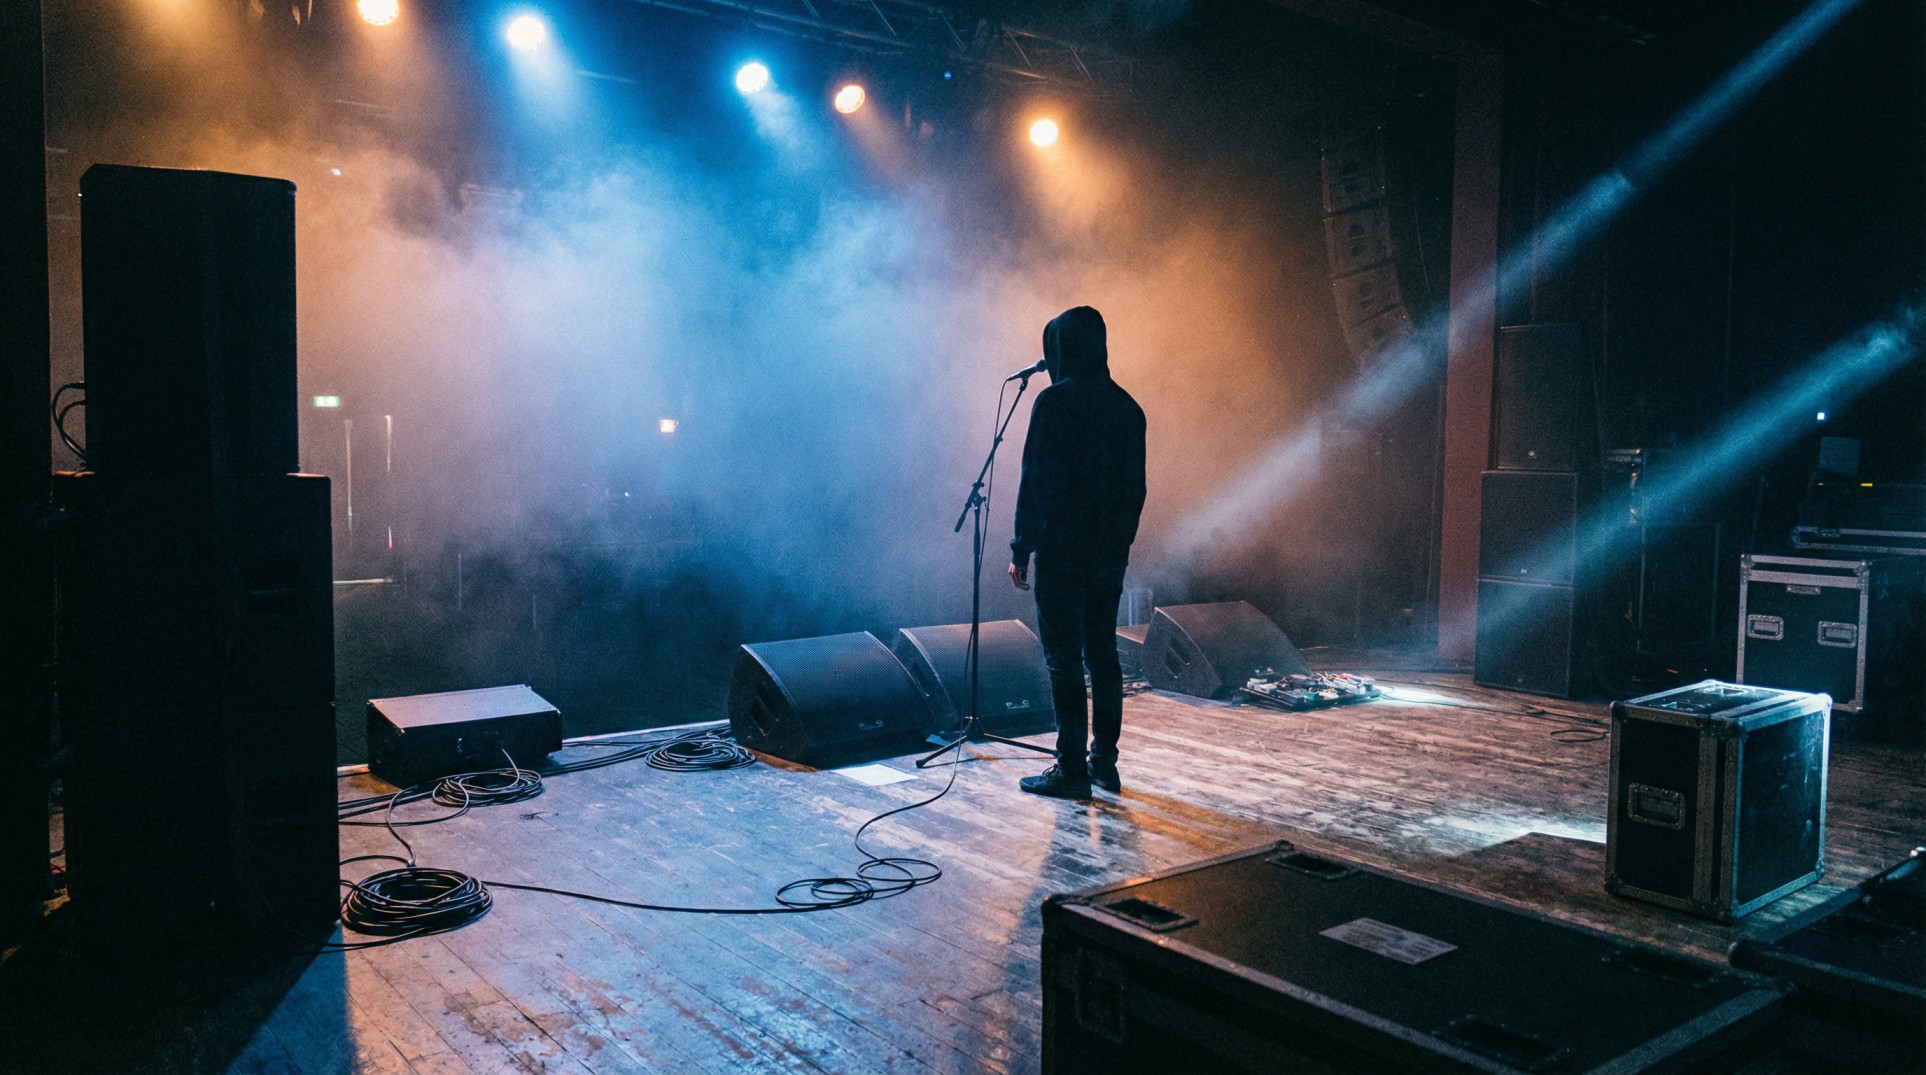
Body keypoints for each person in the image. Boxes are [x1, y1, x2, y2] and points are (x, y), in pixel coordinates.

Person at [1007, 306, 1146, 799]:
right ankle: (1103, 764)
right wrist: (1120, 545)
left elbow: (1036, 482)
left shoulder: (1052, 403)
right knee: (1103, 656)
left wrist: (1022, 547)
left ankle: (1070, 770)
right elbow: (1136, 490)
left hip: (1062, 553)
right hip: (1108, 557)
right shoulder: (1129, 408)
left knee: (1063, 661)